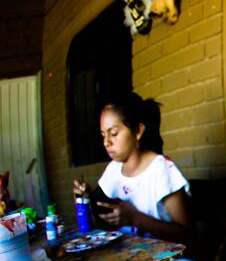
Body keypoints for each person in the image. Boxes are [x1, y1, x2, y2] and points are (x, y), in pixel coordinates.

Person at [73, 93, 192, 245]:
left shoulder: (161, 169)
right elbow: (99, 222)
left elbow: (187, 235)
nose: (106, 142)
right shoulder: (113, 170)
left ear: (138, 131)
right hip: (129, 259)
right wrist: (83, 198)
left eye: (114, 133)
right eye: (103, 135)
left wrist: (136, 219)